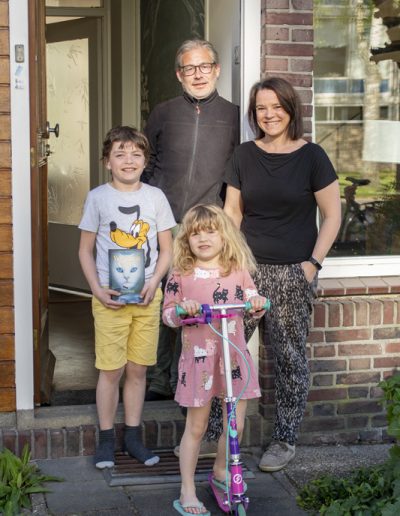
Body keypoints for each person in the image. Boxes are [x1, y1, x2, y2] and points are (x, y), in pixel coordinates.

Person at [224, 77, 342, 473]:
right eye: (261, 108)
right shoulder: (243, 155)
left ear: (291, 109)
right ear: (253, 114)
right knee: (226, 354)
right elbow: (232, 215)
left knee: (290, 358)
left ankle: (284, 439)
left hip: (294, 272)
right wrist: (232, 267)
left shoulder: (312, 157)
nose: (269, 114)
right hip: (247, 273)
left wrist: (311, 266)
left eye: (276, 106)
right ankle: (213, 437)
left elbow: (332, 216)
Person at [143, 39, 239, 455]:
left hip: (207, 225)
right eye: (189, 68)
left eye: (205, 66)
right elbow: (147, 161)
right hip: (165, 221)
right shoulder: (164, 112)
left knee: (196, 306)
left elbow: (239, 170)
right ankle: (160, 379)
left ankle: (194, 387)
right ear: (179, 74)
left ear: (216, 70)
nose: (198, 73)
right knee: (164, 296)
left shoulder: (234, 116)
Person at [78, 126, 176, 469]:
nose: (128, 160)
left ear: (145, 161)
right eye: (120, 154)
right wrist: (96, 289)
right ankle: (106, 440)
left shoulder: (155, 198)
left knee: (138, 369)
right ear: (107, 161)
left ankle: (133, 437)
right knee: (111, 370)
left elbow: (166, 249)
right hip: (110, 300)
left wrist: (155, 282)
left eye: (136, 154)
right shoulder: (98, 198)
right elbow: (85, 251)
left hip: (147, 299)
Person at [162, 204, 266, 516]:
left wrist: (257, 303)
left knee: (235, 423)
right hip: (200, 360)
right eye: (195, 233)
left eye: (211, 231)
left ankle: (221, 472)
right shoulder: (181, 274)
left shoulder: (236, 270)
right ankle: (188, 489)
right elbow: (167, 314)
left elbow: (252, 300)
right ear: (186, 240)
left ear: (224, 236)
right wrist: (183, 309)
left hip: (233, 359)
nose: (203, 238)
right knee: (196, 425)